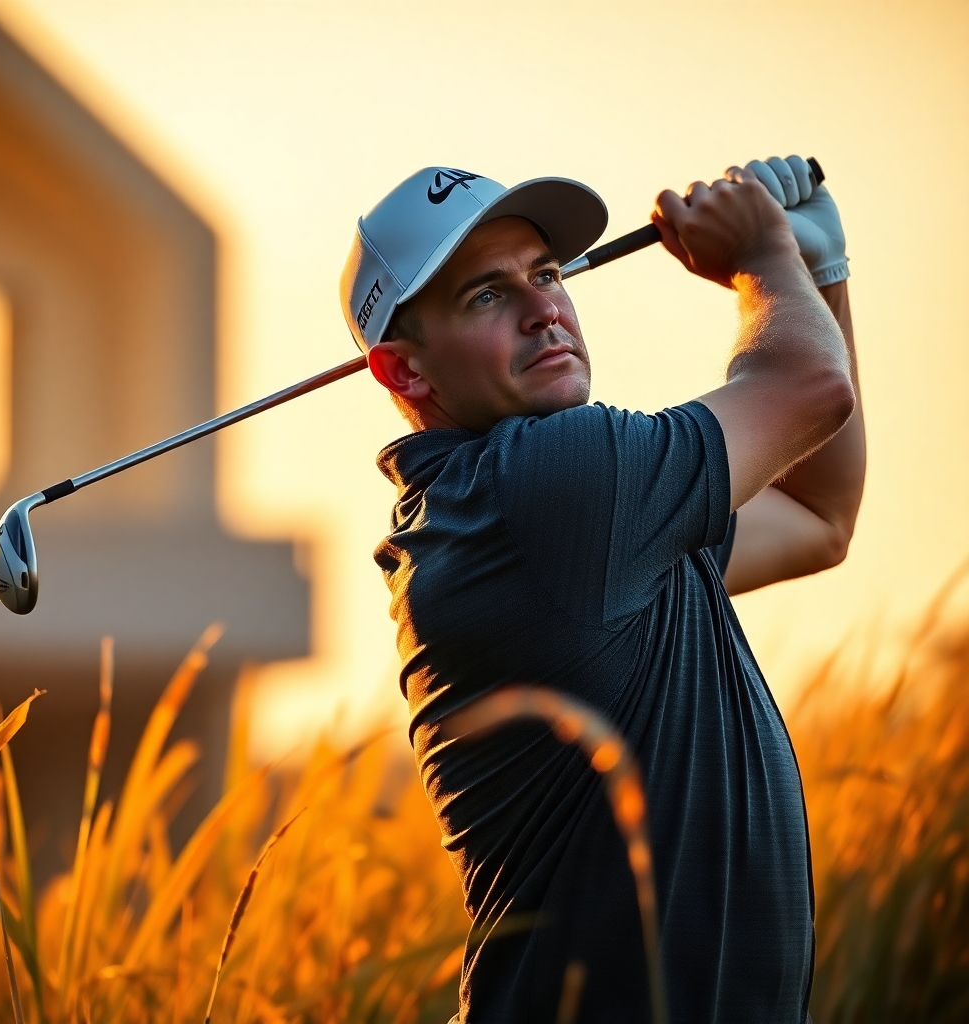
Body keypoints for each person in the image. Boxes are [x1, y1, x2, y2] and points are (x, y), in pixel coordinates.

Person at [339, 158, 864, 1023]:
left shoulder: (592, 517)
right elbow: (810, 388)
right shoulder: (541, 485)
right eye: (487, 296)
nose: (544, 308)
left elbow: (816, 513)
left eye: (544, 274)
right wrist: (765, 259)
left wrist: (818, 277)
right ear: (404, 374)